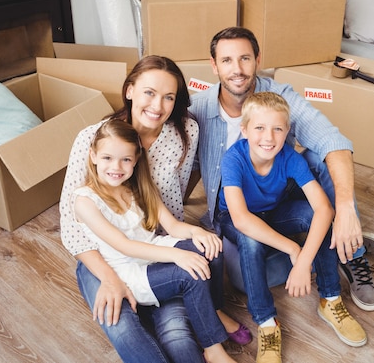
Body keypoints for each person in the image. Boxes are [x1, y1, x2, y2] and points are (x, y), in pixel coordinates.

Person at [187, 27, 374, 353]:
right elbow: (184, 167)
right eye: (227, 60)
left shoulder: (280, 100)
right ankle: (327, 249)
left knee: (319, 171)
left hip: (278, 203)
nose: (237, 68)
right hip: (236, 215)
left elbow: (332, 141)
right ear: (213, 66)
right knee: (248, 275)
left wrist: (345, 212)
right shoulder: (199, 110)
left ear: (258, 60)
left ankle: (346, 253)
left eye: (244, 58)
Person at [60, 55, 248, 363]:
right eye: (149, 92)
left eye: (169, 97)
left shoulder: (183, 132)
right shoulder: (92, 141)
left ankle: (208, 314)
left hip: (154, 242)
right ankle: (195, 315)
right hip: (103, 255)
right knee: (122, 327)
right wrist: (108, 277)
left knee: (179, 339)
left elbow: (175, 202)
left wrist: (188, 236)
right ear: (130, 90)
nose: (158, 106)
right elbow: (71, 229)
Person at [219, 92, 368, 361]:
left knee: (315, 216)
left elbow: (324, 209)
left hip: (273, 212)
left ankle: (330, 299)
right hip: (236, 216)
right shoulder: (234, 159)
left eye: (278, 129)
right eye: (259, 128)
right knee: (250, 240)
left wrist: (303, 263)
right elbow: (241, 219)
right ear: (244, 130)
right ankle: (266, 322)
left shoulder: (290, 157)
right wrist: (293, 249)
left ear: (288, 131)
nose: (269, 137)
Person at [73, 119, 235, 363]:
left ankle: (213, 309)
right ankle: (214, 349)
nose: (116, 166)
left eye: (125, 159)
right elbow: (124, 246)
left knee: (211, 249)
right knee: (190, 275)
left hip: (155, 251)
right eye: (107, 158)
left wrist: (197, 233)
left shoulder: (137, 188)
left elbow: (172, 226)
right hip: (128, 270)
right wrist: (178, 256)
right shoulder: (85, 201)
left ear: (136, 159)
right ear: (93, 155)